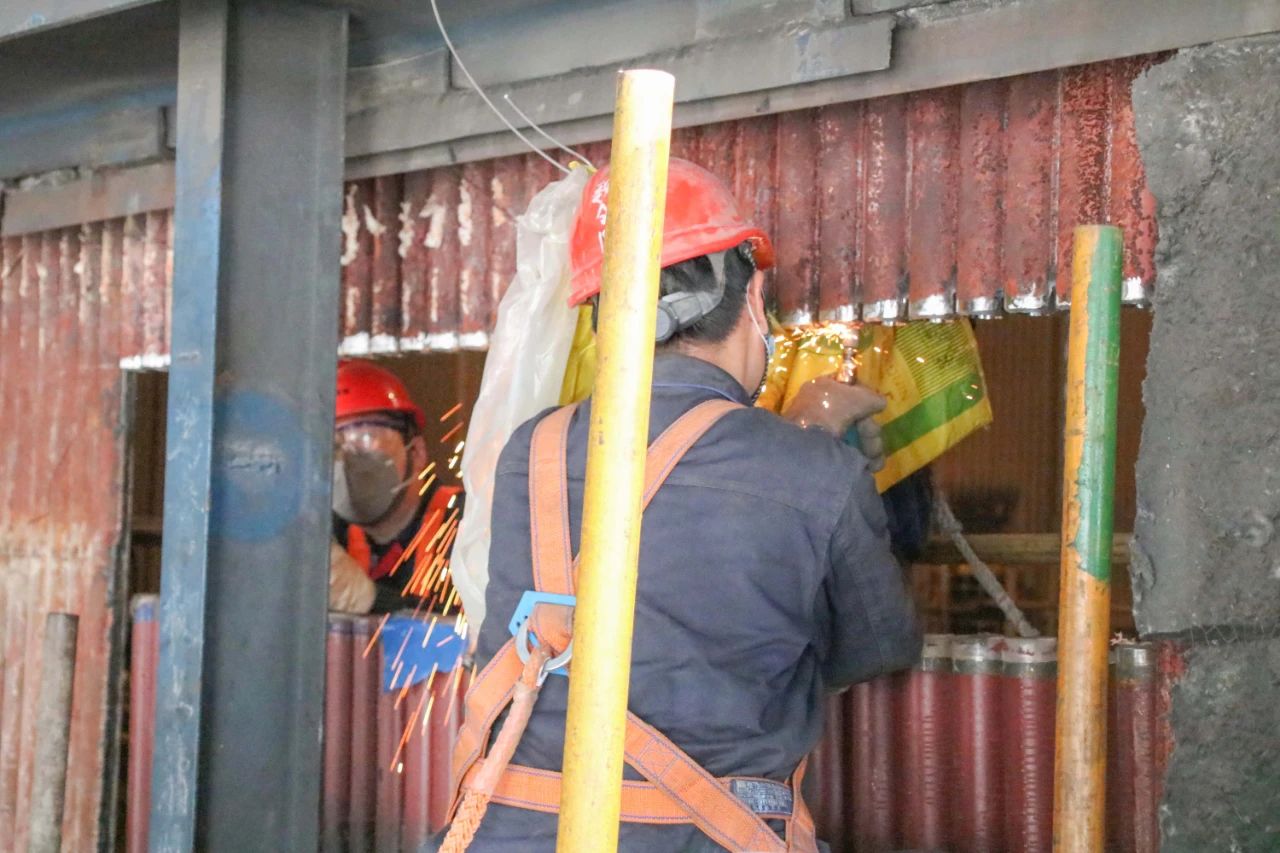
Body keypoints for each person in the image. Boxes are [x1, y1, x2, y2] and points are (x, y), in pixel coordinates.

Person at [442, 159, 921, 852]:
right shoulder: (817, 474)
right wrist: (813, 451)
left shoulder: (530, 451)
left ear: (601, 318)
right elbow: (880, 646)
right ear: (752, 297)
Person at [328, 359, 463, 615]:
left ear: (417, 452)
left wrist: (368, 598)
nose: (346, 456)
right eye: (334, 442)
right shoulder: (329, 533)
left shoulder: (469, 525)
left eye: (365, 435)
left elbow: (482, 631)